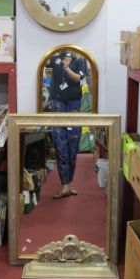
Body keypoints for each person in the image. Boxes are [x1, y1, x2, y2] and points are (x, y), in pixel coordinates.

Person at [47, 51, 86, 199]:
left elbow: (77, 79)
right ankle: (65, 185)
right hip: (58, 103)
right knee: (59, 142)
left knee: (73, 143)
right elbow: (42, 61)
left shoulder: (80, 60)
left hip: (74, 103)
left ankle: (68, 184)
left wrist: (67, 67)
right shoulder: (55, 58)